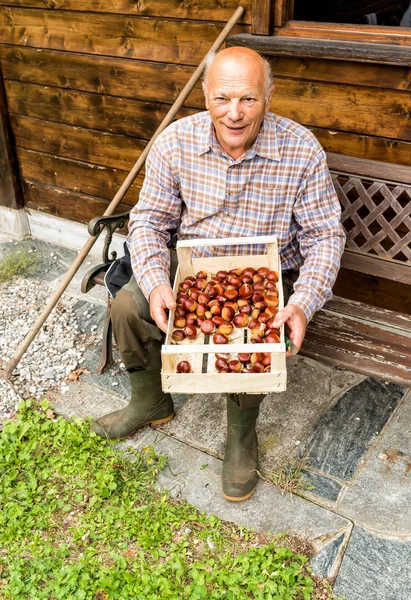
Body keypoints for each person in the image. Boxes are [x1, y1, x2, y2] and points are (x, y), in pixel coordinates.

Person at [92, 47, 346, 502]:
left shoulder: (301, 149)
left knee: (256, 334)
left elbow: (325, 236)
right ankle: (150, 400)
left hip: (265, 274)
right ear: (205, 94)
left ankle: (241, 434)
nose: (234, 113)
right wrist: (155, 283)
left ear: (269, 96)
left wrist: (302, 302)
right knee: (129, 304)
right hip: (194, 264)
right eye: (222, 98)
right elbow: (149, 221)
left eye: (248, 99)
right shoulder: (176, 141)